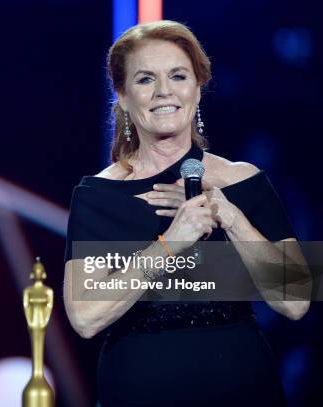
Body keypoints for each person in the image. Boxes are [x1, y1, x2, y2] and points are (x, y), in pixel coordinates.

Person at [63, 21, 310, 406]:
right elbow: (85, 317)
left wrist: (230, 216)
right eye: (146, 79)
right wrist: (171, 242)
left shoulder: (243, 180)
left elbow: (296, 300)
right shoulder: (98, 195)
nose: (164, 91)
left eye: (178, 76)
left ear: (197, 87)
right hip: (140, 384)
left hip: (241, 382)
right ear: (123, 96)